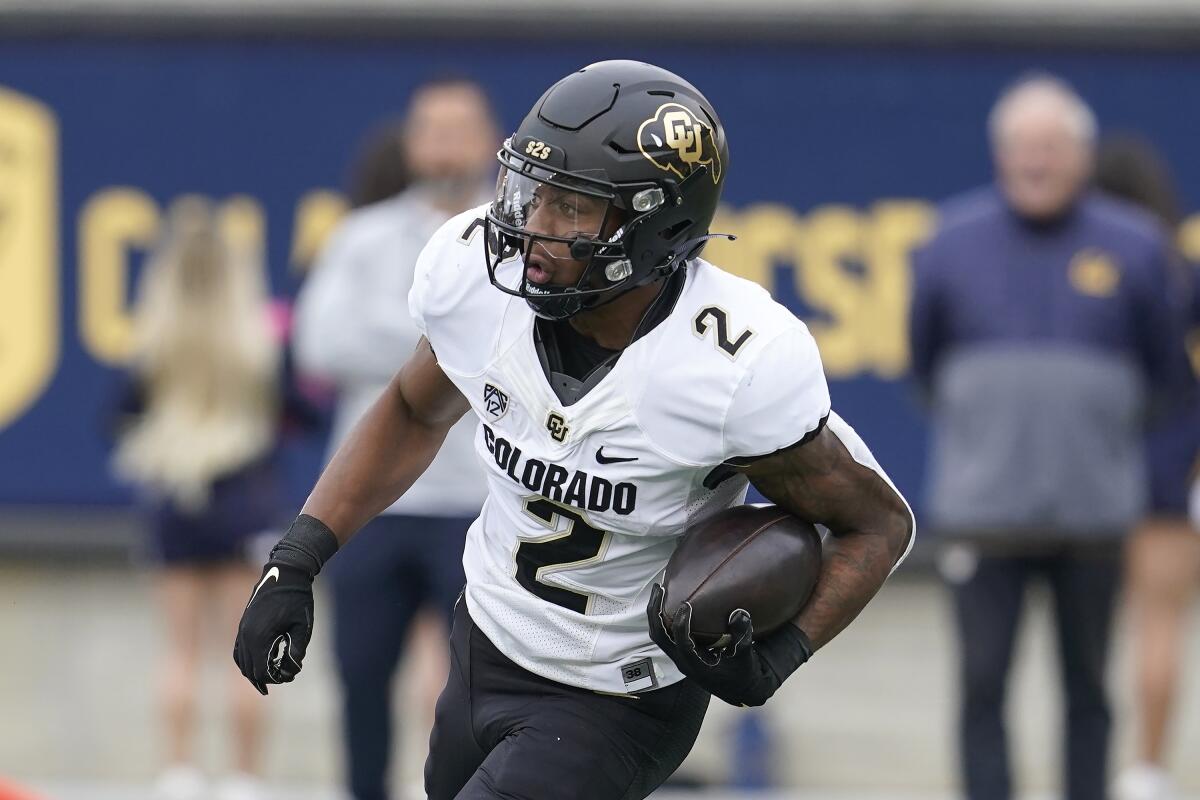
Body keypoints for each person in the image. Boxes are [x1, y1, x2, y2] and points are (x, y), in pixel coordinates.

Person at [235, 60, 915, 800]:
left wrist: (784, 653)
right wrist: (298, 556)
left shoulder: (729, 363)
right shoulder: (473, 279)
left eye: (571, 208)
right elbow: (411, 408)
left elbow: (876, 524)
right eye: (530, 194)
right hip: (485, 644)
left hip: (617, 695)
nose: (535, 229)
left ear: (661, 223)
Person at [910, 76, 1189, 800]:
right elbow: (927, 363)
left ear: (1082, 155)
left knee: (1089, 690)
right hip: (983, 516)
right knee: (980, 687)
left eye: (1053, 147)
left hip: (1092, 518)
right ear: (1001, 154)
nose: (1038, 161)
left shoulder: (1135, 248)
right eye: (1024, 147)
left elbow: (1165, 373)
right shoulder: (951, 241)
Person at [291, 77, 497, 800]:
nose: (444, 145)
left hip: (479, 501)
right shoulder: (360, 236)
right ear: (410, 143)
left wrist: (409, 344)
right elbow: (320, 345)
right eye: (430, 130)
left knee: (476, 688)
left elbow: (521, 345)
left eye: (458, 129)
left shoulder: (519, 240)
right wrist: (444, 342)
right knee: (361, 675)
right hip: (374, 503)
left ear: (490, 141)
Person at [113, 197, 284, 800]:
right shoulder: (254, 340)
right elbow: (297, 412)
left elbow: (119, 415)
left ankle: (179, 772)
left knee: (180, 648)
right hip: (242, 502)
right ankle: (243, 778)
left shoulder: (156, 340)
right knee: (244, 647)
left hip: (174, 499)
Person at [1096, 135, 1200, 800]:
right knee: (1158, 622)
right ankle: (1145, 772)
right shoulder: (1178, 269)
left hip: (1098, 464)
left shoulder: (1087, 265)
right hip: (1169, 461)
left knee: (1088, 633)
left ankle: (1124, 772)